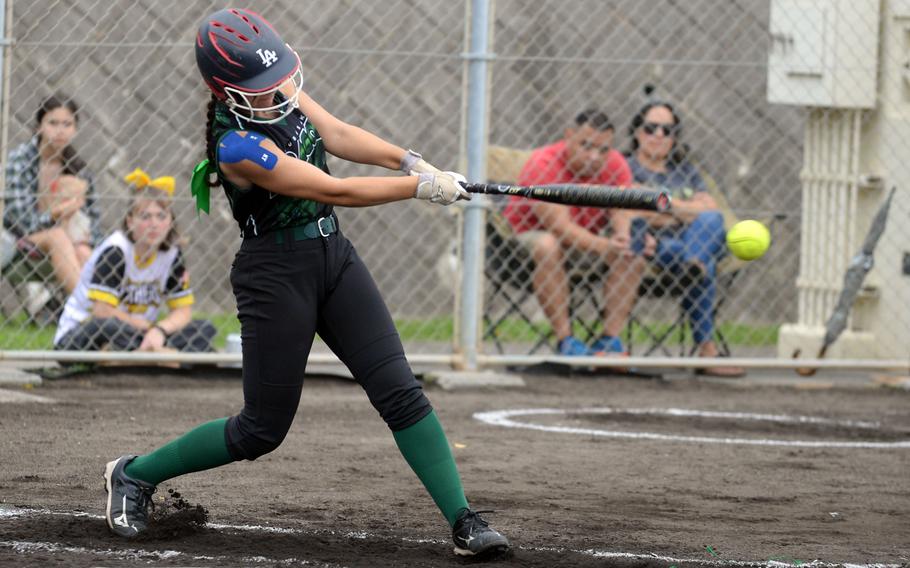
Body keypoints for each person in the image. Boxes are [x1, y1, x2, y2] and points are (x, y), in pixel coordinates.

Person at [102, 8, 509, 559]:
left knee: (400, 391)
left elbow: (336, 134)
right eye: (259, 88)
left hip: (333, 258)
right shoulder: (236, 148)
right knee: (260, 431)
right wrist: (419, 188)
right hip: (274, 274)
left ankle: (463, 520)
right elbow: (328, 187)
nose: (276, 94)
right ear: (226, 92)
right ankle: (134, 473)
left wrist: (414, 161)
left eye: (276, 82)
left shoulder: (281, 92)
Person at [502, 109, 651, 357]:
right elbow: (559, 227)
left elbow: (621, 208)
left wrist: (624, 237)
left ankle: (610, 341)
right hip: (526, 245)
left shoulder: (615, 163)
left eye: (603, 149)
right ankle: (566, 341)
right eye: (586, 146)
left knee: (631, 251)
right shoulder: (544, 163)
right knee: (548, 244)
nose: (594, 156)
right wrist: (606, 246)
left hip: (585, 244)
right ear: (569, 136)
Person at [625, 100, 744, 377]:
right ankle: (707, 351)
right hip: (655, 247)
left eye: (667, 130)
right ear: (637, 132)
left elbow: (711, 209)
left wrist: (663, 205)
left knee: (712, 222)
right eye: (650, 128)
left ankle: (694, 263)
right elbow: (631, 206)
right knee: (707, 262)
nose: (658, 135)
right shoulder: (627, 167)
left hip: (687, 246)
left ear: (674, 137)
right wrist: (684, 209)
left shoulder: (686, 171)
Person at [53, 168, 216, 356]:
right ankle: (161, 357)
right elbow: (102, 312)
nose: (154, 224)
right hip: (84, 332)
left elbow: (183, 312)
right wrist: (143, 326)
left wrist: (159, 330)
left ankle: (140, 356)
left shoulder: (172, 255)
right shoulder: (116, 251)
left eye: (161, 216)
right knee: (108, 327)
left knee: (204, 328)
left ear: (170, 221)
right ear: (130, 221)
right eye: (145, 216)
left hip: (139, 335)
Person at [3, 94, 100, 300]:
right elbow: (24, 223)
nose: (60, 131)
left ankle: (101, 311)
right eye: (53, 123)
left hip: (71, 240)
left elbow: (94, 221)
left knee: (83, 250)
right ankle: (86, 310)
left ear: (75, 129)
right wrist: (56, 213)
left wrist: (89, 240)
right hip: (22, 240)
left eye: (67, 124)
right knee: (57, 237)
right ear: (39, 126)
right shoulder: (20, 161)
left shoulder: (78, 169)